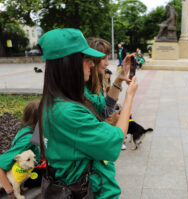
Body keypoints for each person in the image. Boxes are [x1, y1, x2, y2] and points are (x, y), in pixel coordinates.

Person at [37, 28, 138, 198]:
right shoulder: (68, 111)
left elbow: (102, 109)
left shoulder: (61, 99)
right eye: (86, 59)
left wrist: (119, 80)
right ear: (69, 63)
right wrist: (129, 97)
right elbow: (114, 141)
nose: (94, 64)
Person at [0, 100, 41, 199]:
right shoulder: (28, 139)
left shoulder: (27, 129)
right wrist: (10, 191)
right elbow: (1, 163)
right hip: (25, 173)